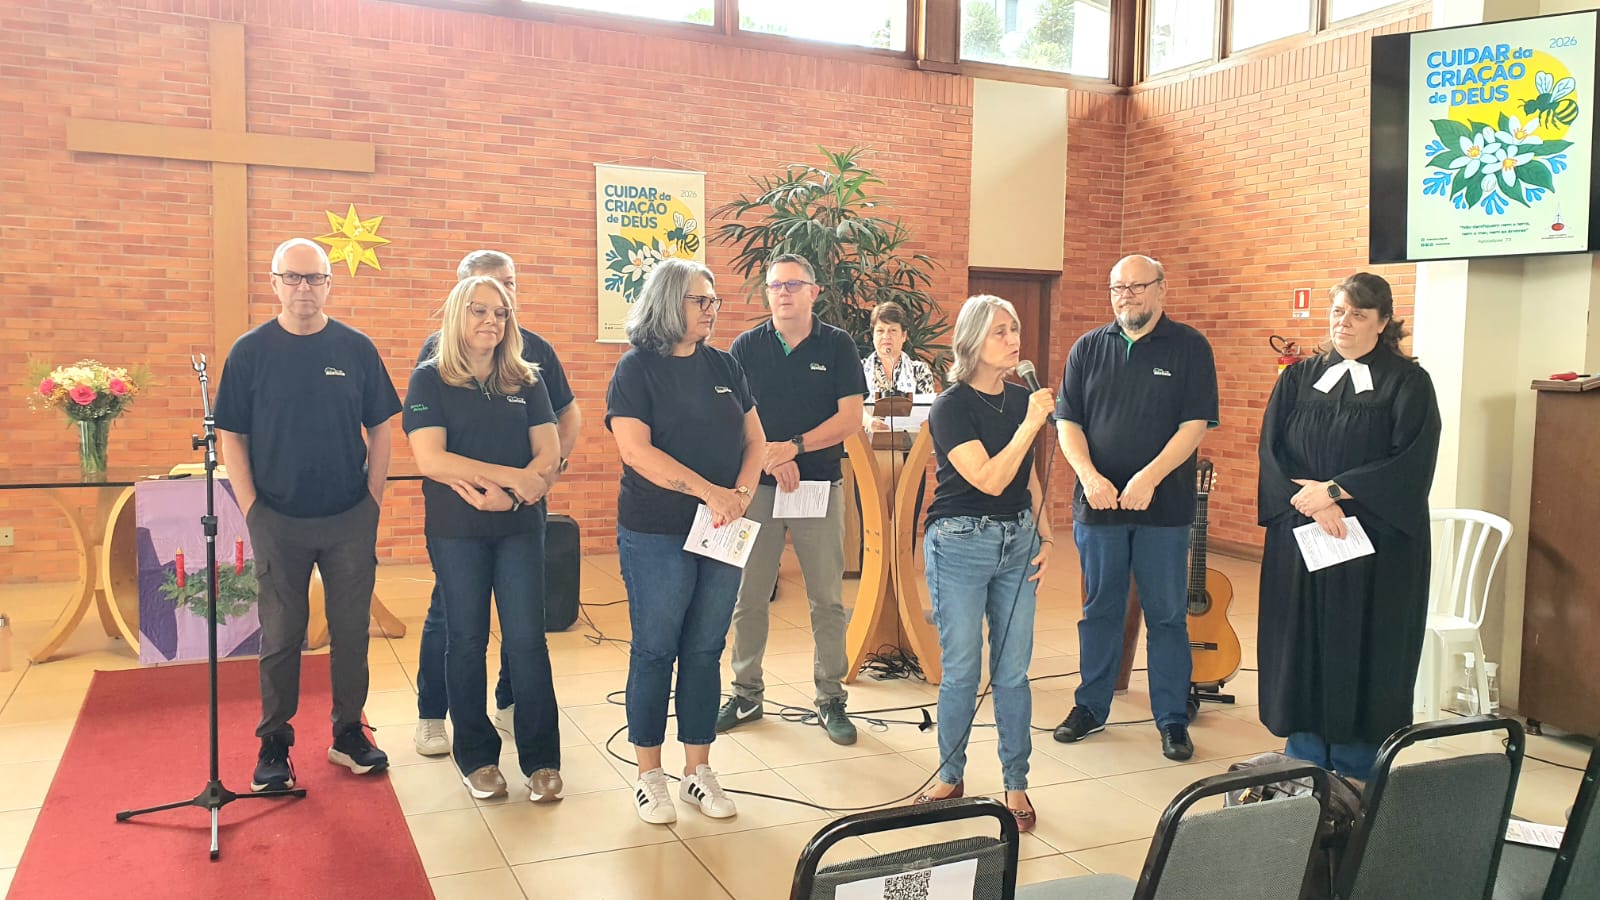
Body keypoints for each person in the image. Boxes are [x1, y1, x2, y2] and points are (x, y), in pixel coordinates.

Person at [214, 237, 401, 792]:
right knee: (281, 634)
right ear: (273, 283)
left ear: (329, 284)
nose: (303, 288)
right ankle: (274, 741)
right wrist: (252, 509)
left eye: (314, 278)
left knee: (351, 632)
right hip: (277, 518)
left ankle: (349, 733)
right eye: (292, 277)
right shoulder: (250, 352)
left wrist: (372, 499)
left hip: (348, 516)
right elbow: (231, 435)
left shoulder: (356, 348)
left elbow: (381, 426)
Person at [1257, 272, 1440, 781]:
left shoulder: (1408, 383)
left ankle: (1360, 762)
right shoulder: (1297, 378)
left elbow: (1411, 461)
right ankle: (1304, 754)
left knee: (1365, 645)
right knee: (1301, 641)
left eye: (1359, 315)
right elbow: (1271, 450)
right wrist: (1315, 503)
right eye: (1338, 312)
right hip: (1303, 533)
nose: (1345, 323)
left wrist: (1335, 491)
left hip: (1375, 545)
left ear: (1383, 323)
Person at [606, 258, 766, 824]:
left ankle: (698, 771)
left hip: (723, 528)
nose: (711, 310)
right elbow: (635, 451)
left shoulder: (724, 364)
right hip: (656, 529)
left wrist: (739, 494)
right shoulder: (636, 369)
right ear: (668, 302)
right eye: (701, 300)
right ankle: (650, 774)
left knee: (704, 648)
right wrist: (709, 493)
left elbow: (755, 440)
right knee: (655, 648)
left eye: (714, 300)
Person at [412, 250, 583, 758]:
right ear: (459, 299)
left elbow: (565, 419)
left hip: (520, 517)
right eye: (482, 301)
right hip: (458, 524)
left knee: (524, 631)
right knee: (456, 627)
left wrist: (540, 479)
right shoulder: (434, 362)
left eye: (506, 294)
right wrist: (518, 479)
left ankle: (516, 712)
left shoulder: (531, 360)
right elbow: (432, 455)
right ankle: (434, 714)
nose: (495, 310)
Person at [1051, 254, 1218, 762]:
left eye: (1137, 286)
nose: (1126, 295)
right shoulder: (1087, 348)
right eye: (1117, 287)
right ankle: (1091, 707)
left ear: (1161, 289)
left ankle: (1171, 718)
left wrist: (1149, 477)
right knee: (1099, 610)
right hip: (1098, 506)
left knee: (1167, 615)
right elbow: (1067, 422)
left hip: (1162, 510)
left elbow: (1194, 425)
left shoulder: (1189, 347)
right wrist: (1089, 476)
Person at [913, 295, 1054, 834]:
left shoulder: (1020, 399)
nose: (1014, 339)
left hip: (1018, 542)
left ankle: (1016, 783)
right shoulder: (950, 406)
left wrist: (1045, 534)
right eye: (1000, 331)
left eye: (1014, 328)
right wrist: (1031, 423)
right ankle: (950, 776)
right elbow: (990, 479)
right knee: (963, 670)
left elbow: (1026, 475)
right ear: (972, 341)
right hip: (960, 543)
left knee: (1013, 671)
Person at [717, 254, 868, 745]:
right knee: (750, 596)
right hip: (759, 488)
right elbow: (735, 416)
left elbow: (850, 419)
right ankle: (746, 693)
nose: (782, 293)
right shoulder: (746, 346)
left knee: (826, 598)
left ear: (813, 292)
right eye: (775, 285)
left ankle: (830, 697)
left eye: (792, 285)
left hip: (816, 486)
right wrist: (771, 456)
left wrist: (795, 447)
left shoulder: (838, 345)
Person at [862, 301, 940, 402]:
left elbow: (926, 410)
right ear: (873, 335)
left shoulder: (920, 371)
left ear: (904, 335)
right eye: (880, 331)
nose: (886, 336)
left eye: (893, 330)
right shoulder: (859, 369)